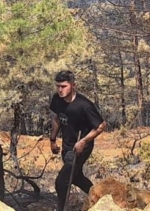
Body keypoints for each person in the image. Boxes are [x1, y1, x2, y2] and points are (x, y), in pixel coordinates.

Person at [49, 70, 106, 211]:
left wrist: (83, 142)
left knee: (61, 181)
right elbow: (57, 118)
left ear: (73, 85)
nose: (60, 90)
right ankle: (101, 200)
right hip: (67, 145)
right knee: (76, 177)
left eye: (64, 86)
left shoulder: (84, 105)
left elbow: (101, 126)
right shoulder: (57, 99)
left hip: (81, 147)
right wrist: (52, 139)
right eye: (58, 86)